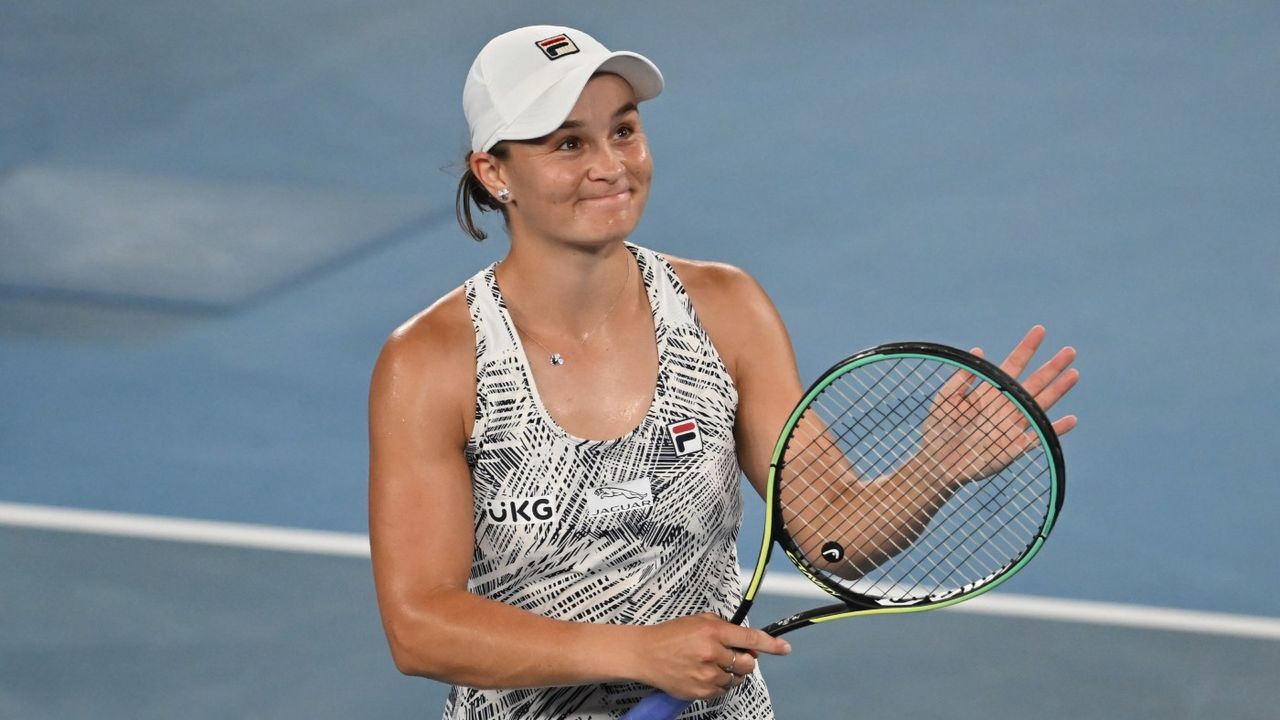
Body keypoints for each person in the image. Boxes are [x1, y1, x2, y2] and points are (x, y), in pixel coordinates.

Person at [367, 24, 1079, 720]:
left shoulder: (725, 310)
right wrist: (636, 653)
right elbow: (420, 626)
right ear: (494, 172)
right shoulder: (433, 361)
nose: (611, 165)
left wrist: (933, 470)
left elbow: (833, 536)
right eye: (567, 144)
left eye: (624, 130)